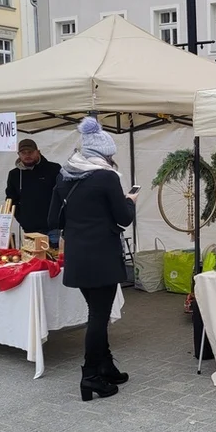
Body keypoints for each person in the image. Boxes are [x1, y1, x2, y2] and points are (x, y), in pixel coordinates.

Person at [48, 117, 137, 401]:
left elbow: (52, 218)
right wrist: (129, 202)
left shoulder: (65, 174)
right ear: (103, 153)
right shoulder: (106, 177)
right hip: (102, 255)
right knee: (98, 317)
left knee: (97, 313)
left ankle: (105, 365)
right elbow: (123, 219)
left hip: (77, 254)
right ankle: (90, 376)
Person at [5, 139, 62, 246]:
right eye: (23, 153)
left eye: (30, 152)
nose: (27, 155)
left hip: (53, 228)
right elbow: (11, 199)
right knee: (32, 260)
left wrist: (58, 217)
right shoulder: (14, 174)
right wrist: (22, 219)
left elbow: (63, 194)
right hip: (29, 229)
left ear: (38, 152)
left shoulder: (54, 169)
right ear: (18, 154)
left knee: (55, 259)